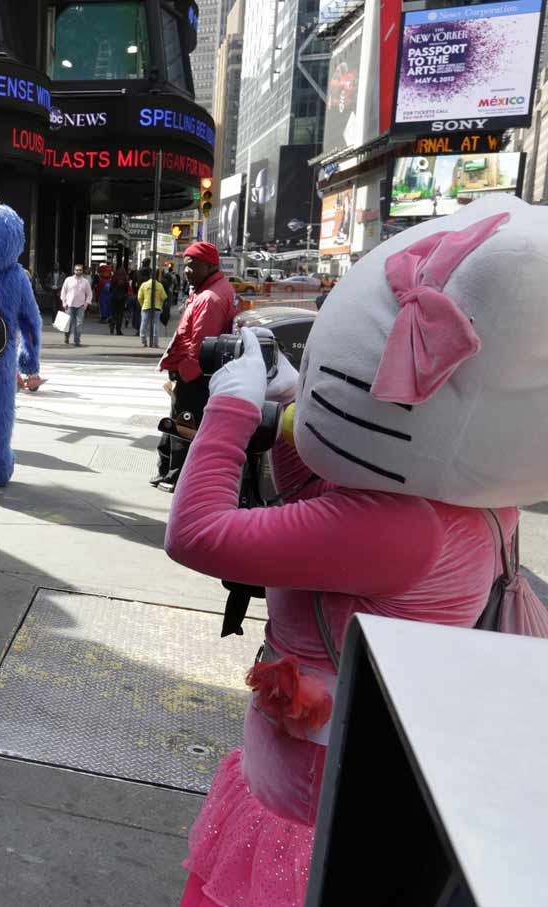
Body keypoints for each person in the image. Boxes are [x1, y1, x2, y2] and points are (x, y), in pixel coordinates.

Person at [166, 197, 545, 907]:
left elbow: (198, 532)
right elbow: (323, 479)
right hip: (371, 770)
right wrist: (289, 405)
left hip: (309, 804)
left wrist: (231, 405)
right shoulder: (474, 488)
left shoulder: (397, 529)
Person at [153, 242, 235, 488]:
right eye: (185, 266)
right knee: (179, 422)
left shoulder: (209, 298)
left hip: (194, 376)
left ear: (210, 266)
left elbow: (200, 345)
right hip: (191, 373)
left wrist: (182, 374)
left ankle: (175, 476)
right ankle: (167, 471)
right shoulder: (206, 291)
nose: (186, 271)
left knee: (184, 425)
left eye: (192, 266)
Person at [58, 262, 91, 346]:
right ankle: (66, 337)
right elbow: (63, 292)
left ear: (82, 271)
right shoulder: (68, 280)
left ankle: (77, 341)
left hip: (80, 306)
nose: (78, 271)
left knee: (79, 324)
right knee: (68, 324)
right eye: (77, 270)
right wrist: (64, 302)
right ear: (74, 271)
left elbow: (89, 294)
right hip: (69, 305)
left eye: (80, 270)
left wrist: (86, 304)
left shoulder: (85, 282)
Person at [137, 269, 166, 348]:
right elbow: (163, 297)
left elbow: (139, 297)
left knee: (144, 323)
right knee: (155, 324)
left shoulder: (144, 285)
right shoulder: (159, 285)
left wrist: (142, 305)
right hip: (156, 308)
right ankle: (155, 343)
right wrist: (160, 305)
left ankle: (143, 341)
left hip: (146, 306)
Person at [109, 264, 131, 335]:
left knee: (113, 313)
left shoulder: (114, 277)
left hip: (114, 298)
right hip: (122, 298)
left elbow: (110, 288)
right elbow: (128, 289)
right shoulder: (125, 279)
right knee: (120, 315)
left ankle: (112, 328)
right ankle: (118, 330)